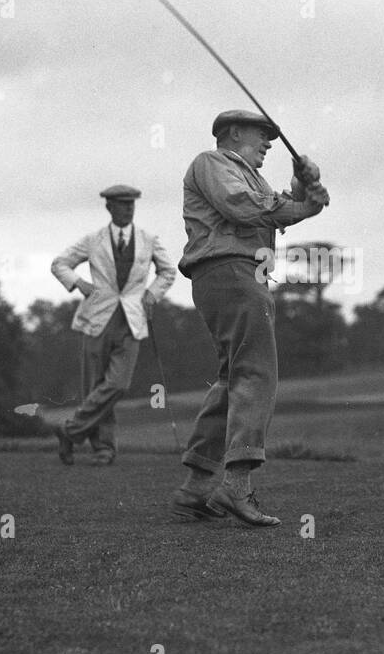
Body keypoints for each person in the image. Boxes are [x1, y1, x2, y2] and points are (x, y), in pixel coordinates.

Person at [170, 109, 329, 526]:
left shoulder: (250, 178)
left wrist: (301, 187)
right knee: (257, 374)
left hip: (236, 275)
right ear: (234, 133)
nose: (269, 144)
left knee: (233, 378)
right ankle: (235, 486)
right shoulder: (213, 163)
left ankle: (196, 487)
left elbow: (269, 206)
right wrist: (304, 207)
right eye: (262, 136)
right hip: (232, 273)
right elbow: (243, 208)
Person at [50, 184, 176, 466]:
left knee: (118, 384)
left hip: (132, 320)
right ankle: (103, 449)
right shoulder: (94, 240)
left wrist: (152, 294)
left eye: (131, 203)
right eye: (122, 203)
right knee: (95, 385)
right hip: (96, 319)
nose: (128, 208)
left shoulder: (148, 239)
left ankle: (69, 431)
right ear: (109, 207)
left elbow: (168, 271)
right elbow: (60, 263)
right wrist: (78, 283)